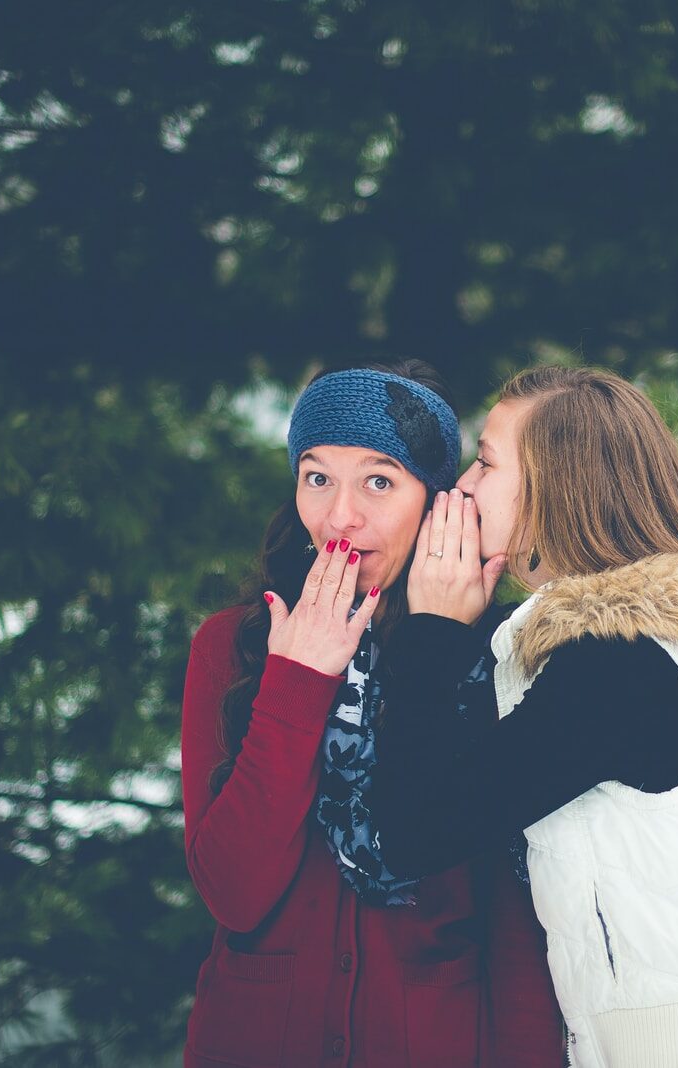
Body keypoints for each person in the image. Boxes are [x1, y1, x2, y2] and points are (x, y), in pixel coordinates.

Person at [334, 365, 678, 1067]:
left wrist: (431, 631)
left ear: (556, 486)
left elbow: (414, 835)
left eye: (485, 462)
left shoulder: (616, 669)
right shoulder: (664, 645)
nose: (464, 489)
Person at [179, 361, 562, 1067]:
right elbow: (233, 894)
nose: (339, 516)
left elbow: (515, 922)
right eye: (317, 477)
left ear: (436, 501)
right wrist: (295, 683)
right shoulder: (232, 647)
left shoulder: (495, 652)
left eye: (379, 480)